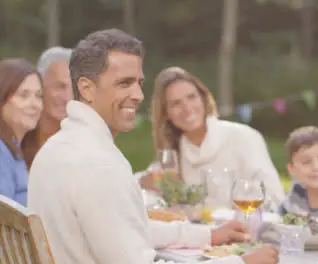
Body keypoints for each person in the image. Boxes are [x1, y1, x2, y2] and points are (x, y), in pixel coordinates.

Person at [27, 28, 278, 264]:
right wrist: (241, 262)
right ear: (86, 88)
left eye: (139, 83)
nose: (138, 95)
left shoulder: (56, 148)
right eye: (124, 83)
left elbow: (127, 228)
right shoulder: (98, 165)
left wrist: (207, 236)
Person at [139, 67, 285, 208]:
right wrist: (144, 181)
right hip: (198, 232)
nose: (187, 108)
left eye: (191, 97)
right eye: (176, 103)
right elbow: (142, 183)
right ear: (166, 114)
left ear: (203, 98)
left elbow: (275, 198)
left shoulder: (244, 137)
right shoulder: (173, 152)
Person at [0, 58, 43, 206]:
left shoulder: (17, 150)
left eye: (39, 96)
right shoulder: (1, 152)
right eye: (24, 95)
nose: (34, 104)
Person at [22, 46, 73, 169]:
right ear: (39, 85)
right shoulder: (17, 135)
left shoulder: (83, 143)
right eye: (60, 86)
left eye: (75, 90)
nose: (68, 98)